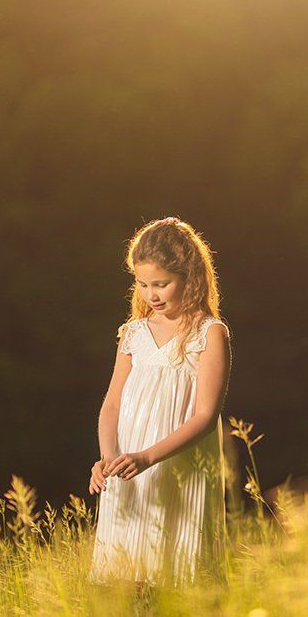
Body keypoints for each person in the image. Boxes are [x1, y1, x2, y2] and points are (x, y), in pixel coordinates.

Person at [87, 216, 232, 591]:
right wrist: (108, 458)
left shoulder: (209, 334)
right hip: (128, 470)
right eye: (143, 284)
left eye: (161, 284)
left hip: (176, 465)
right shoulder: (133, 332)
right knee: (127, 580)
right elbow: (112, 405)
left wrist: (149, 457)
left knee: (176, 576)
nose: (151, 294)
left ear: (189, 277)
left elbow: (205, 415)